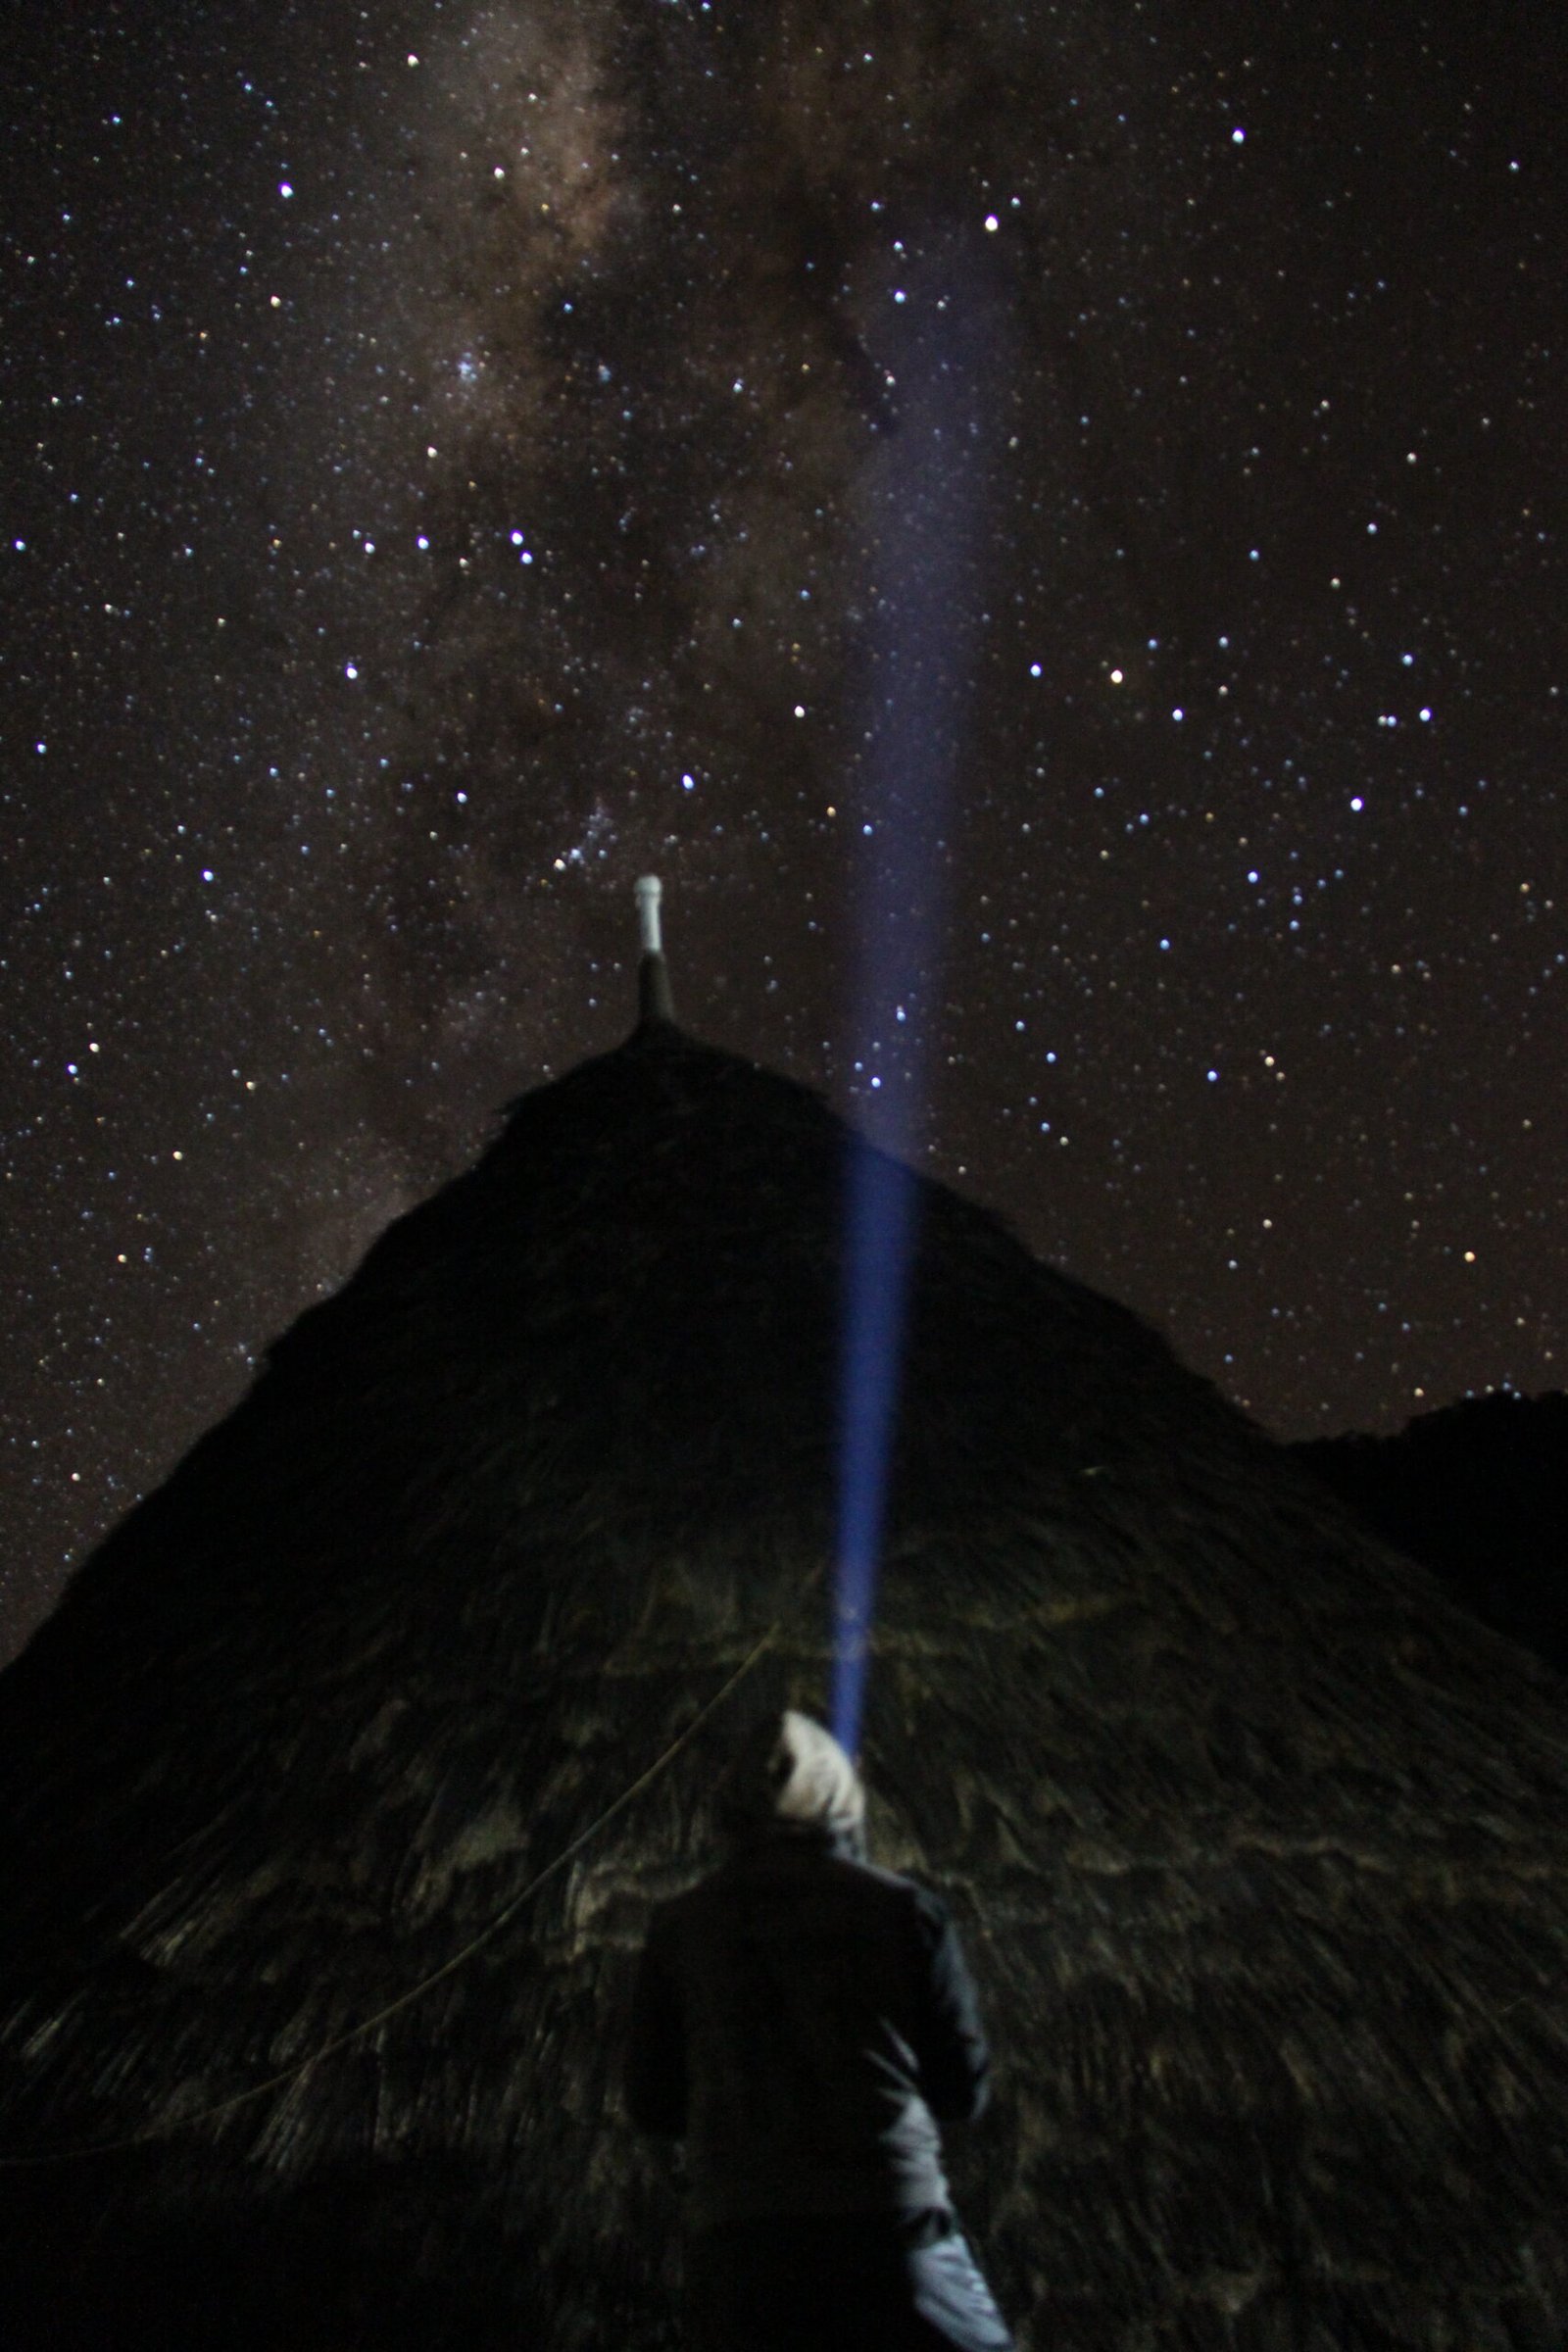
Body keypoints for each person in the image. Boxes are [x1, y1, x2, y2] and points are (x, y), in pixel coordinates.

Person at [626, 1709, 1013, 2351]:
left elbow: (654, 2105)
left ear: (732, 1805)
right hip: (891, 2229)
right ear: (840, 1796)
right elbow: (962, 2091)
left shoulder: (680, 1926)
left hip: (743, 2244)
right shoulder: (904, 1911)